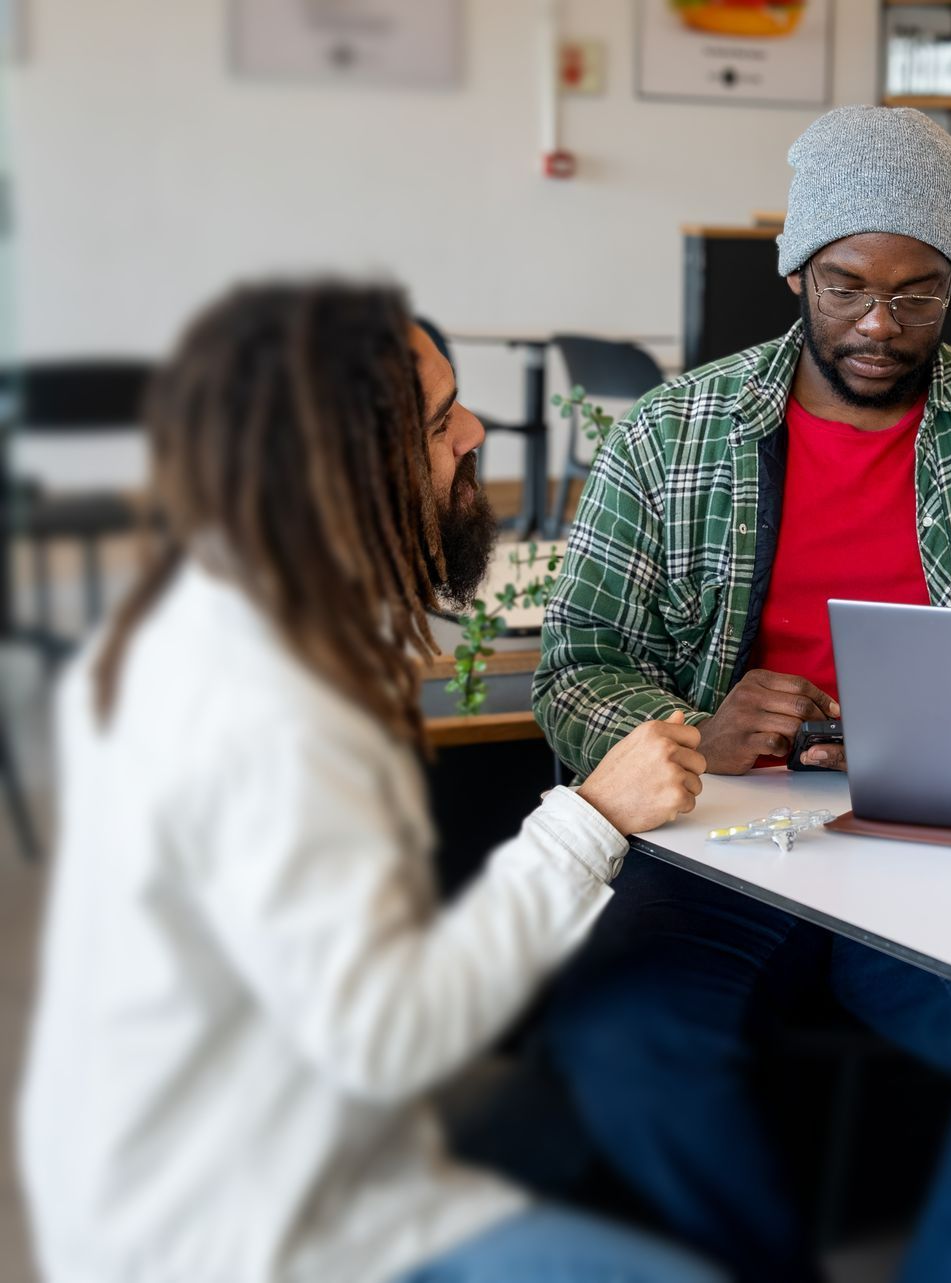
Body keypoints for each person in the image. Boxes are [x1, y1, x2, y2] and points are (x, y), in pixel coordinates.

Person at [533, 105, 951, 1282]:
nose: (878, 323)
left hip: (949, 847)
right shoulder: (673, 433)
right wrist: (688, 733)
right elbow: (577, 660)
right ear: (794, 270)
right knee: (621, 1036)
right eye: (846, 285)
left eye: (917, 293)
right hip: (718, 846)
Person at [17, 283, 722, 1283]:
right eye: (442, 423)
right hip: (235, 1232)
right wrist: (592, 815)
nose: (477, 433)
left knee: (592, 1077)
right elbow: (386, 1038)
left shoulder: (219, 605)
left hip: (186, 1153)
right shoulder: (268, 714)